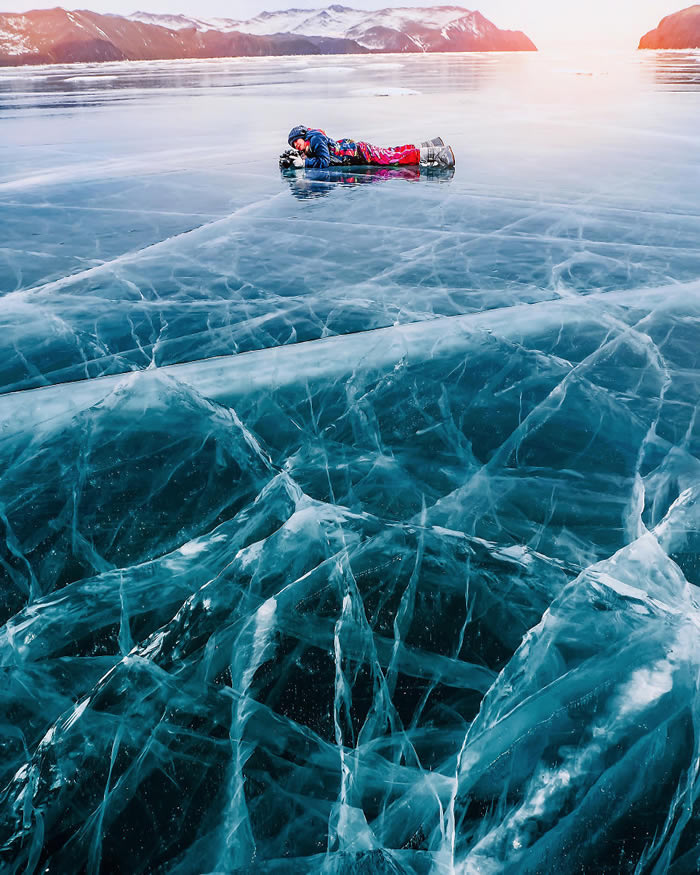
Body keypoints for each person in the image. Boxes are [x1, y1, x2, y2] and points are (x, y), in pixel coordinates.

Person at [284, 125, 455, 170]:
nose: (296, 146)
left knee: (394, 159)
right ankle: (430, 145)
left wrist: (304, 164)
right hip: (360, 150)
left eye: (296, 142)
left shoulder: (315, 140)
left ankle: (438, 154)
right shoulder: (313, 140)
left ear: (302, 136)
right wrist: (300, 158)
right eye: (293, 145)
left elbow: (325, 161)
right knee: (392, 152)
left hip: (362, 153)